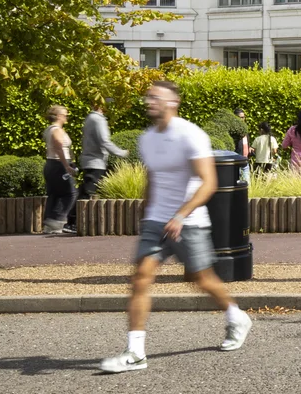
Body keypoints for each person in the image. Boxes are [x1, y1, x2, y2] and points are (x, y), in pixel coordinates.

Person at [99, 79, 252, 373]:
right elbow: (152, 179)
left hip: (189, 222)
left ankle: (236, 316)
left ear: (172, 103)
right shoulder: (147, 138)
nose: (149, 101)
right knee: (140, 278)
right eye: (148, 97)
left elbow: (209, 183)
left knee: (201, 280)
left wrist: (181, 216)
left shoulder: (190, 135)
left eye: (155, 97)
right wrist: (146, 214)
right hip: (156, 221)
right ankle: (135, 353)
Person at [78, 100, 129, 210]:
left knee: (86, 191)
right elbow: (104, 141)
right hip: (96, 162)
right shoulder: (98, 120)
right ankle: (73, 220)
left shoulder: (89, 118)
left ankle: (72, 219)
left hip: (89, 160)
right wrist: (121, 153)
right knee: (89, 193)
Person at [42, 105, 78, 236]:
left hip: (50, 164)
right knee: (71, 193)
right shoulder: (56, 130)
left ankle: (49, 224)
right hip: (59, 164)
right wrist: (67, 165)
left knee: (54, 194)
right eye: (64, 114)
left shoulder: (49, 129)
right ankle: (57, 220)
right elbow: (58, 145)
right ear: (58, 116)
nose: (66, 116)